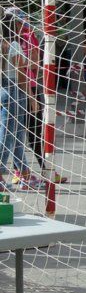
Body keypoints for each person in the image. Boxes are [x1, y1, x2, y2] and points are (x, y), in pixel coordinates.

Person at [0, 33, 33, 192]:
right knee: (8, 135)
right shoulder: (13, 45)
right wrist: (30, 95)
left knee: (17, 135)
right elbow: (21, 73)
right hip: (15, 91)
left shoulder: (4, 45)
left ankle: (25, 175)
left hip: (4, 88)